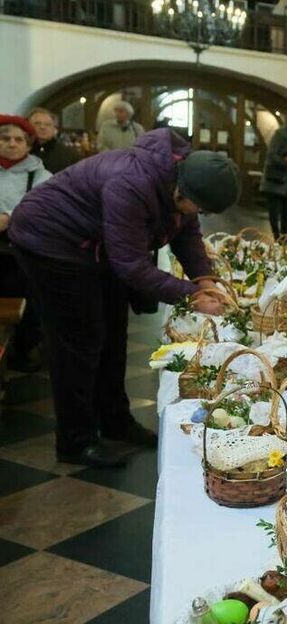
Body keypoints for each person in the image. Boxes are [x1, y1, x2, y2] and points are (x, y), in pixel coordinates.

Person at [9, 128, 240, 467]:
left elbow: (186, 234)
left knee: (114, 333)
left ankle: (115, 420)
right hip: (51, 242)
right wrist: (192, 296)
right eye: (199, 207)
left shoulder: (182, 182)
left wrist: (204, 278)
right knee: (80, 341)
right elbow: (131, 265)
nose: (198, 213)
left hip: (95, 247)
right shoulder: (130, 183)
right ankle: (75, 440)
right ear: (181, 188)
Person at [0, 115, 52, 372]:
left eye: (18, 139)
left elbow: (43, 209)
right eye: (5, 138)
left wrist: (9, 217)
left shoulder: (41, 175)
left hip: (22, 251)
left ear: (29, 145)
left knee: (27, 302)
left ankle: (23, 350)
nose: (12, 143)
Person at [26, 108, 81, 174]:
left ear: (54, 128)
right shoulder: (21, 152)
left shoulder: (70, 155)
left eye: (48, 124)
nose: (42, 127)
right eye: (37, 123)